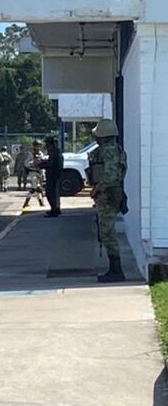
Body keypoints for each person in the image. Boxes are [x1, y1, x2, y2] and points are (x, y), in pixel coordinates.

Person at [89, 119, 127, 283]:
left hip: (107, 194)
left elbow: (110, 175)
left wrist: (98, 188)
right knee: (105, 231)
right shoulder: (109, 149)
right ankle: (114, 268)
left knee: (107, 232)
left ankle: (116, 270)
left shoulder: (109, 150)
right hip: (107, 194)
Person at [43, 135, 64, 217]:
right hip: (53, 175)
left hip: (53, 175)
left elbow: (52, 165)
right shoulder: (54, 152)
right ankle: (55, 209)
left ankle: (54, 210)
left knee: (51, 193)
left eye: (47, 144)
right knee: (53, 193)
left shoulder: (55, 152)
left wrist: (42, 165)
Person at [22, 140, 46, 209]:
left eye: (39, 146)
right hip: (33, 172)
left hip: (39, 172)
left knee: (36, 188)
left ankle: (39, 202)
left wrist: (43, 173)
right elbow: (26, 163)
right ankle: (27, 202)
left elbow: (42, 163)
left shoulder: (41, 154)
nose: (38, 147)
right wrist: (32, 163)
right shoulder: (30, 154)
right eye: (36, 146)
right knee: (35, 188)